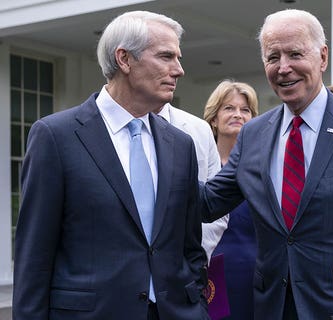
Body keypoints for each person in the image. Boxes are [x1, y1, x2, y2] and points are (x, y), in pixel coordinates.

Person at [201, 9, 333, 319]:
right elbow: (208, 202)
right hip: (273, 307)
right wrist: (160, 152)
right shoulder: (253, 134)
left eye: (295, 54)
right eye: (273, 57)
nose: (283, 68)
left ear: (322, 57)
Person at [12, 11, 208, 319]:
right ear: (125, 59)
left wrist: (197, 306)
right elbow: (34, 257)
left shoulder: (180, 145)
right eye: (166, 57)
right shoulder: (56, 137)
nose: (179, 70)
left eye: (178, 58)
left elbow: (190, 247)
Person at [205, 79, 259, 320]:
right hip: (208, 271)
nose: (238, 114)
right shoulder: (198, 163)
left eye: (245, 110)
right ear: (214, 118)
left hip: (255, 271)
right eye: (229, 108)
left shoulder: (263, 168)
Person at [157, 103, 224, 262]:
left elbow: (214, 202)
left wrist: (193, 260)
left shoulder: (199, 128)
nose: (178, 75)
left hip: (186, 265)